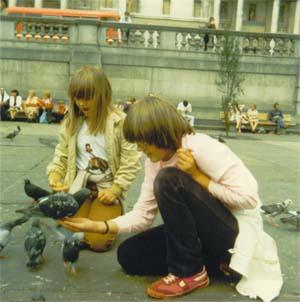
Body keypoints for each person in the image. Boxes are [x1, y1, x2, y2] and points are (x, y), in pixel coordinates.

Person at [60, 95, 282, 302]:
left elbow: (249, 199)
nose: (138, 148)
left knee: (169, 179)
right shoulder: (154, 160)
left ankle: (190, 272)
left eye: (142, 141)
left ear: (158, 134)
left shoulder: (201, 146)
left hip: (235, 233)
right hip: (201, 235)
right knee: (129, 255)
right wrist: (98, 226)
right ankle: (215, 263)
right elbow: (143, 215)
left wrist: (198, 177)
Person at [48, 66, 141, 252]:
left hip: (106, 190)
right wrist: (55, 175)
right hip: (79, 187)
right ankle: (91, 213)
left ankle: (111, 213)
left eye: (88, 96)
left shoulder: (120, 122)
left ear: (103, 95)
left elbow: (131, 161)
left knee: (97, 243)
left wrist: (116, 189)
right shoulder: (71, 122)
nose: (82, 103)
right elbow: (62, 155)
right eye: (77, 97)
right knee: (70, 230)